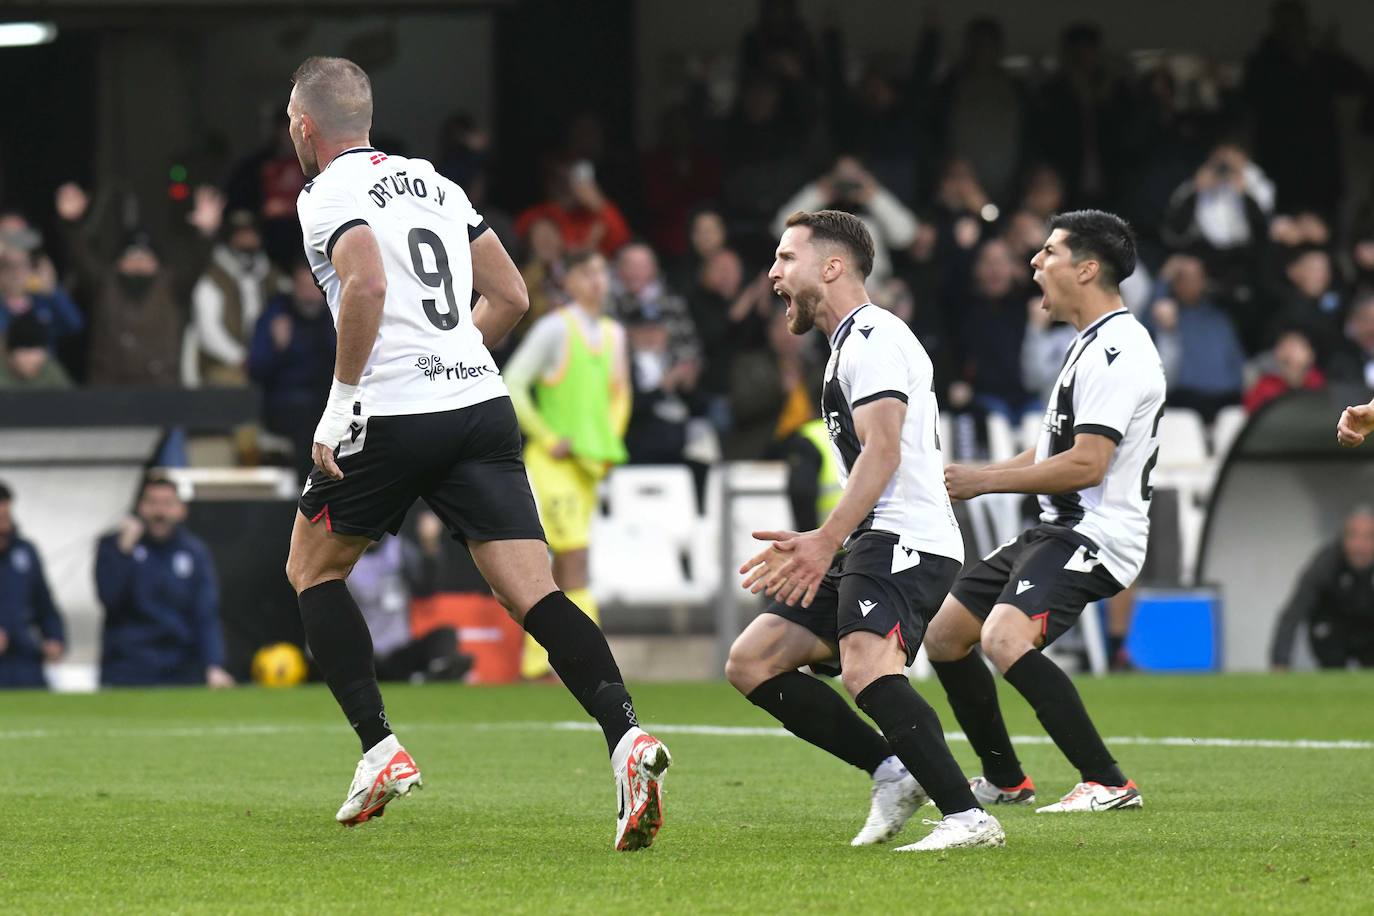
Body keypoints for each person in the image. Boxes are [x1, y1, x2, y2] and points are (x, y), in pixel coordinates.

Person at [280, 57, 669, 847]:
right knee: (537, 592)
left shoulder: (325, 192)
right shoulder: (433, 182)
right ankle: (627, 737)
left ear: (304, 126)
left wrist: (344, 403)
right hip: (478, 405)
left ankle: (379, 748)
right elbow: (514, 296)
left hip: (389, 409)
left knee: (312, 569)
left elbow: (366, 286)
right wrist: (453, 360)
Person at [726, 209, 1004, 853]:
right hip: (871, 539)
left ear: (831, 266)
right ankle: (892, 768)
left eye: (785, 259)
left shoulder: (874, 337)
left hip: (905, 536)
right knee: (754, 661)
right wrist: (836, 543)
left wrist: (824, 541)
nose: (772, 275)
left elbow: (883, 451)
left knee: (867, 667)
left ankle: (967, 818)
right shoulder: (845, 347)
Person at [926, 210, 1164, 814]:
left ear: (1087, 270)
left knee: (1004, 637)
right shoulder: (1086, 344)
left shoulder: (1116, 351)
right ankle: (1006, 780)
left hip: (1097, 532)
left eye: (1049, 253)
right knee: (947, 636)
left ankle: (1108, 781)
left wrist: (985, 481)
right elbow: (1051, 450)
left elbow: (1087, 465)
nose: (1034, 262)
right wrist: (976, 476)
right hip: (1058, 528)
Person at [503, 249, 629, 680]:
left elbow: (620, 395)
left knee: (561, 563)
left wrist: (606, 447)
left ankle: (542, 662)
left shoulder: (614, 335)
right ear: (570, 281)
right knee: (572, 558)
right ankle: (576, 661)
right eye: (586, 272)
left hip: (588, 468)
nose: (597, 280)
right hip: (553, 465)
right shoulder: (556, 329)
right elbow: (513, 384)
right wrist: (547, 435)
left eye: (601, 271)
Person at [55, 182, 223, 386]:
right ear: (118, 263)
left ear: (158, 263)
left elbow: (198, 262)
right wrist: (73, 224)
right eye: (131, 255)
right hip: (109, 389)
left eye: (145, 256)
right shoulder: (104, 283)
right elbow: (80, 257)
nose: (138, 261)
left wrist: (206, 233)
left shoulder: (173, 285)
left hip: (159, 389)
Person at [95, 477, 233, 688]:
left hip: (181, 668)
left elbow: (205, 613)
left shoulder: (194, 552)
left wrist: (214, 664)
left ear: (181, 510)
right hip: (127, 669)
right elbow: (109, 599)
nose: (159, 512)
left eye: (167, 504)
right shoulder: (114, 547)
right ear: (139, 507)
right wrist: (124, 552)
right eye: (152, 503)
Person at [347, 512, 472, 683]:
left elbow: (426, 586)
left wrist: (430, 545)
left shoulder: (398, 549)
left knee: (445, 633)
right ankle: (420, 676)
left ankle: (440, 667)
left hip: (400, 650)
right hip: (364, 653)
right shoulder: (343, 556)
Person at [246, 260, 338, 482]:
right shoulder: (276, 315)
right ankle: (307, 489)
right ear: (294, 286)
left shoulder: (335, 314)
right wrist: (277, 347)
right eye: (303, 285)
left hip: (328, 398)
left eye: (314, 286)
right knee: (308, 420)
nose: (309, 292)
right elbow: (255, 369)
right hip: (284, 402)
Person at [185, 210, 286, 386]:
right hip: (223, 365)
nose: (247, 240)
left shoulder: (271, 275)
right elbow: (209, 333)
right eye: (240, 235)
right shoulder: (214, 278)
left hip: (268, 363)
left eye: (251, 235)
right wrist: (241, 359)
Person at [1270, 507, 1374, 670]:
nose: (1360, 546)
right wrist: (1279, 662)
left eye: (1368, 537)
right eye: (1353, 536)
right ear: (1343, 538)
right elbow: (1293, 614)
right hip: (1331, 629)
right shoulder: (1326, 564)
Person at [0, 481, 65, 688]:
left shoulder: (25, 551)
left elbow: (44, 604)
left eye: (6, 518)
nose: (3, 526)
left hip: (25, 662)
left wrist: (55, 637)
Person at [1245, 327, 1325, 414]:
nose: (1289, 354)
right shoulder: (1265, 386)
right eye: (1284, 347)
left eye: (1295, 348)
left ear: (1311, 355)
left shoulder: (1319, 383)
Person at [0, 311, 74, 389]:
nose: (32, 359)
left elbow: (68, 396)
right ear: (10, 355)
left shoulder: (50, 371)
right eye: (26, 353)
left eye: (36, 352)